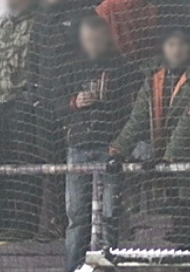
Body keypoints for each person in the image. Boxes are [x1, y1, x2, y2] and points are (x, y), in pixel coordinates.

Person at [108, 28, 190, 251]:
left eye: (181, 44)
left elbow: (189, 122)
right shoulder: (154, 79)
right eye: (171, 44)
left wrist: (168, 158)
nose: (176, 50)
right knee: (185, 241)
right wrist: (118, 150)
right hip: (174, 178)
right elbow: (138, 119)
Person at [59, 15, 139, 272]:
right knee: (77, 217)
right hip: (79, 146)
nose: (93, 43)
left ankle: (107, 267)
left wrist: (110, 97)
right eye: (88, 39)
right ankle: (73, 268)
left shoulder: (121, 66)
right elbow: (54, 104)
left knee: (109, 214)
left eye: (97, 38)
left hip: (110, 147)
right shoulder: (70, 66)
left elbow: (134, 106)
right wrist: (74, 102)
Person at [0, 0, 41, 239]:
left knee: (23, 166)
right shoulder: (4, 24)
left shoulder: (38, 24)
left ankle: (23, 225)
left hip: (23, 106)